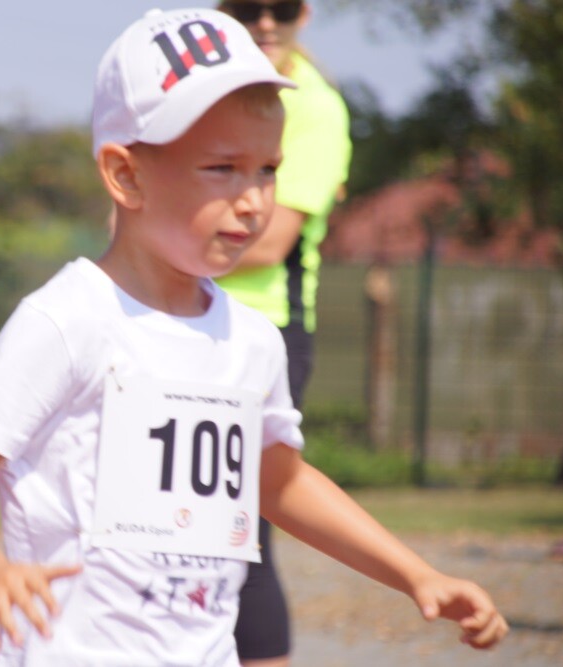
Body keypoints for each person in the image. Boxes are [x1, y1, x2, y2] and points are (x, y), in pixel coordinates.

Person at [0, 8, 507, 666]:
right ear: (126, 175)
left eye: (267, 169)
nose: (253, 199)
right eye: (222, 168)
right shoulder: (67, 319)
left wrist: (416, 573)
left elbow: (279, 481)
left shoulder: (253, 340)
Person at [214, 2, 353, 663]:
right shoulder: (204, 93)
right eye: (246, 7)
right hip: (186, 316)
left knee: (245, 533)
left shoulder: (316, 109)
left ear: (307, 12)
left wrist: (155, 256)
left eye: (282, 6)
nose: (265, 20)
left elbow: (268, 243)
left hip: (265, 330)